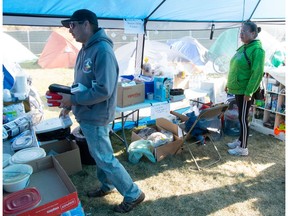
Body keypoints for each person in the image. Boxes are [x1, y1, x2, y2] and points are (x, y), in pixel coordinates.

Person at [58, 9, 145, 213]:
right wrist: (70, 102)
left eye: (72, 25)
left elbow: (104, 90)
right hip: (87, 112)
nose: (70, 31)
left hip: (96, 115)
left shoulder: (102, 51)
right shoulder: (86, 48)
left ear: (86, 24)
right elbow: (81, 82)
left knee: (105, 158)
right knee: (100, 155)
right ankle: (107, 186)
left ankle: (133, 193)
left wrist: (74, 99)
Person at [225, 21, 265, 156]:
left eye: (244, 32)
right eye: (240, 32)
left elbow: (257, 73)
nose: (240, 34)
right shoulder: (245, 47)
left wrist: (249, 92)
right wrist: (228, 84)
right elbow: (235, 67)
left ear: (253, 33)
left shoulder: (257, 50)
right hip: (238, 89)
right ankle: (240, 140)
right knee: (241, 118)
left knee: (243, 119)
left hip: (245, 91)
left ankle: (243, 148)